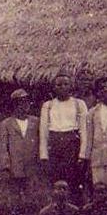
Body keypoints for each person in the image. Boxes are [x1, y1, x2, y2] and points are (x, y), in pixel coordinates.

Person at [0, 88, 41, 215]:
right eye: (20, 102)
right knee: (15, 202)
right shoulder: (6, 124)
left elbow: (41, 143)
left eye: (26, 102)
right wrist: (5, 166)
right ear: (14, 105)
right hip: (14, 169)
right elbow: (3, 147)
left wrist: (40, 163)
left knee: (31, 201)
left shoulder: (36, 121)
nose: (24, 105)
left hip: (31, 167)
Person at [40, 71, 89, 204]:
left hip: (72, 145)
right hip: (55, 146)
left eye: (65, 84)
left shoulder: (79, 104)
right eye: (59, 85)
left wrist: (82, 155)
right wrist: (44, 155)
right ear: (54, 87)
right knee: (56, 183)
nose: (62, 87)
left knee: (74, 184)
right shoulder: (48, 105)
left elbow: (84, 130)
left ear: (71, 86)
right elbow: (44, 132)